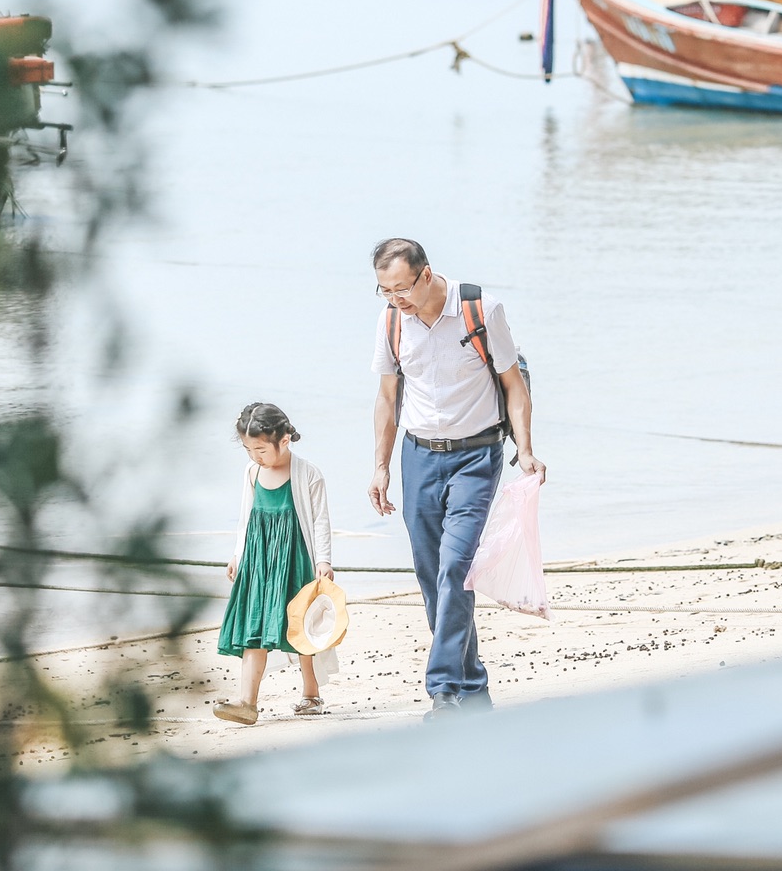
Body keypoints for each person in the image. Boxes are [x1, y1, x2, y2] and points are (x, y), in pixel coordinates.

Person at [367, 238, 544, 720]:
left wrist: (524, 450)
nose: (396, 299)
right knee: (432, 578)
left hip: (476, 458)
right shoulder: (390, 323)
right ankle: (473, 689)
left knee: (455, 568)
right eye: (384, 291)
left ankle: (444, 690)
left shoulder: (480, 310)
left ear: (426, 275)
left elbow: (514, 386)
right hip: (417, 457)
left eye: (402, 288)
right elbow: (387, 399)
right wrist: (380, 465)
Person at [214, 402, 335, 726]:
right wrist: (238, 555)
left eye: (260, 449)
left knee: (301, 627)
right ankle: (247, 702)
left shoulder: (308, 473)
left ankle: (311, 693)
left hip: (294, 559)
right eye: (248, 449)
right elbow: (245, 519)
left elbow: (320, 521)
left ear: (284, 440)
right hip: (259, 560)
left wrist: (323, 560)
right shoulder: (252, 473)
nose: (255, 456)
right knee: (256, 624)